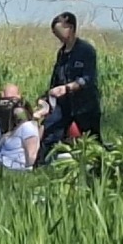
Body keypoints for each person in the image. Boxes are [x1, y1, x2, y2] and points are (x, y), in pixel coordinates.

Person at [37, 12, 102, 165]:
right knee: (50, 133)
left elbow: (88, 78)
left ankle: (99, 167)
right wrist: (46, 98)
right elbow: (55, 79)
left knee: (92, 140)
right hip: (63, 105)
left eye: (59, 31)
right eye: (54, 32)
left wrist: (68, 88)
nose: (56, 35)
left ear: (70, 28)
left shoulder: (86, 51)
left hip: (85, 105)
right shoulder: (61, 53)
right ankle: (41, 166)